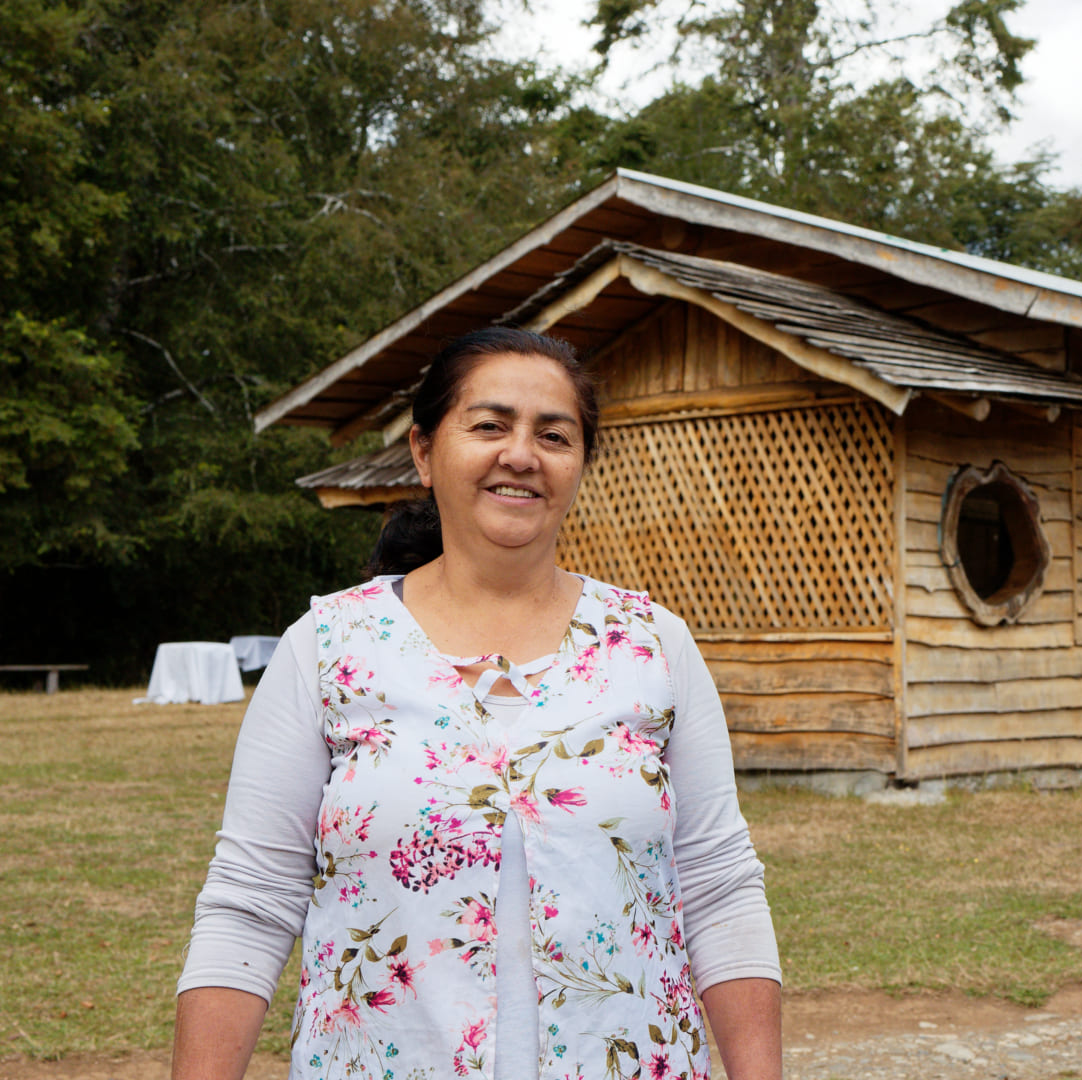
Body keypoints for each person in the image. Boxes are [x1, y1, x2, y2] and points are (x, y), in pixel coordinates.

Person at [172, 328, 781, 1080]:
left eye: (553, 435)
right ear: (424, 452)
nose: (521, 454)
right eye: (489, 425)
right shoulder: (328, 647)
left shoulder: (652, 647)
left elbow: (719, 888)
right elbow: (250, 901)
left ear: (580, 463)